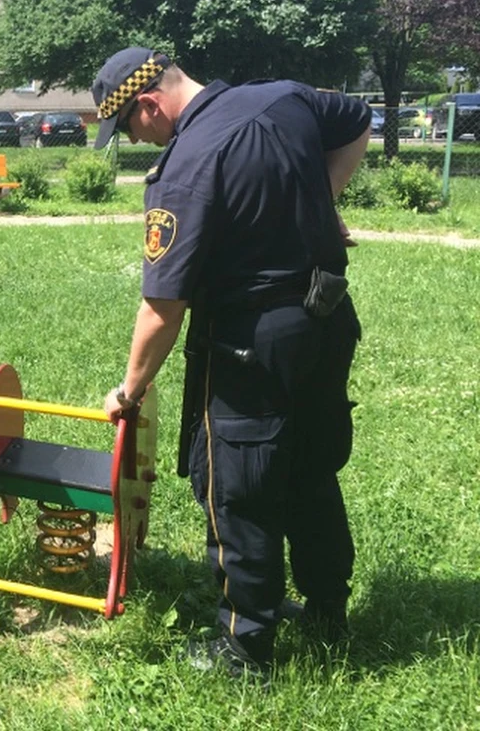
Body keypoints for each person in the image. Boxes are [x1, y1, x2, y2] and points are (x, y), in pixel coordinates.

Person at [92, 47, 370, 676]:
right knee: (310, 468)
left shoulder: (188, 164)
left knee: (239, 486)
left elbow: (163, 305)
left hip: (250, 343)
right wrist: (323, 200)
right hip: (325, 324)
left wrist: (129, 389)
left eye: (129, 129)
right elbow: (356, 121)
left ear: (148, 104)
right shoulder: (283, 97)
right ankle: (329, 612)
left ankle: (245, 647)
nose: (135, 141)